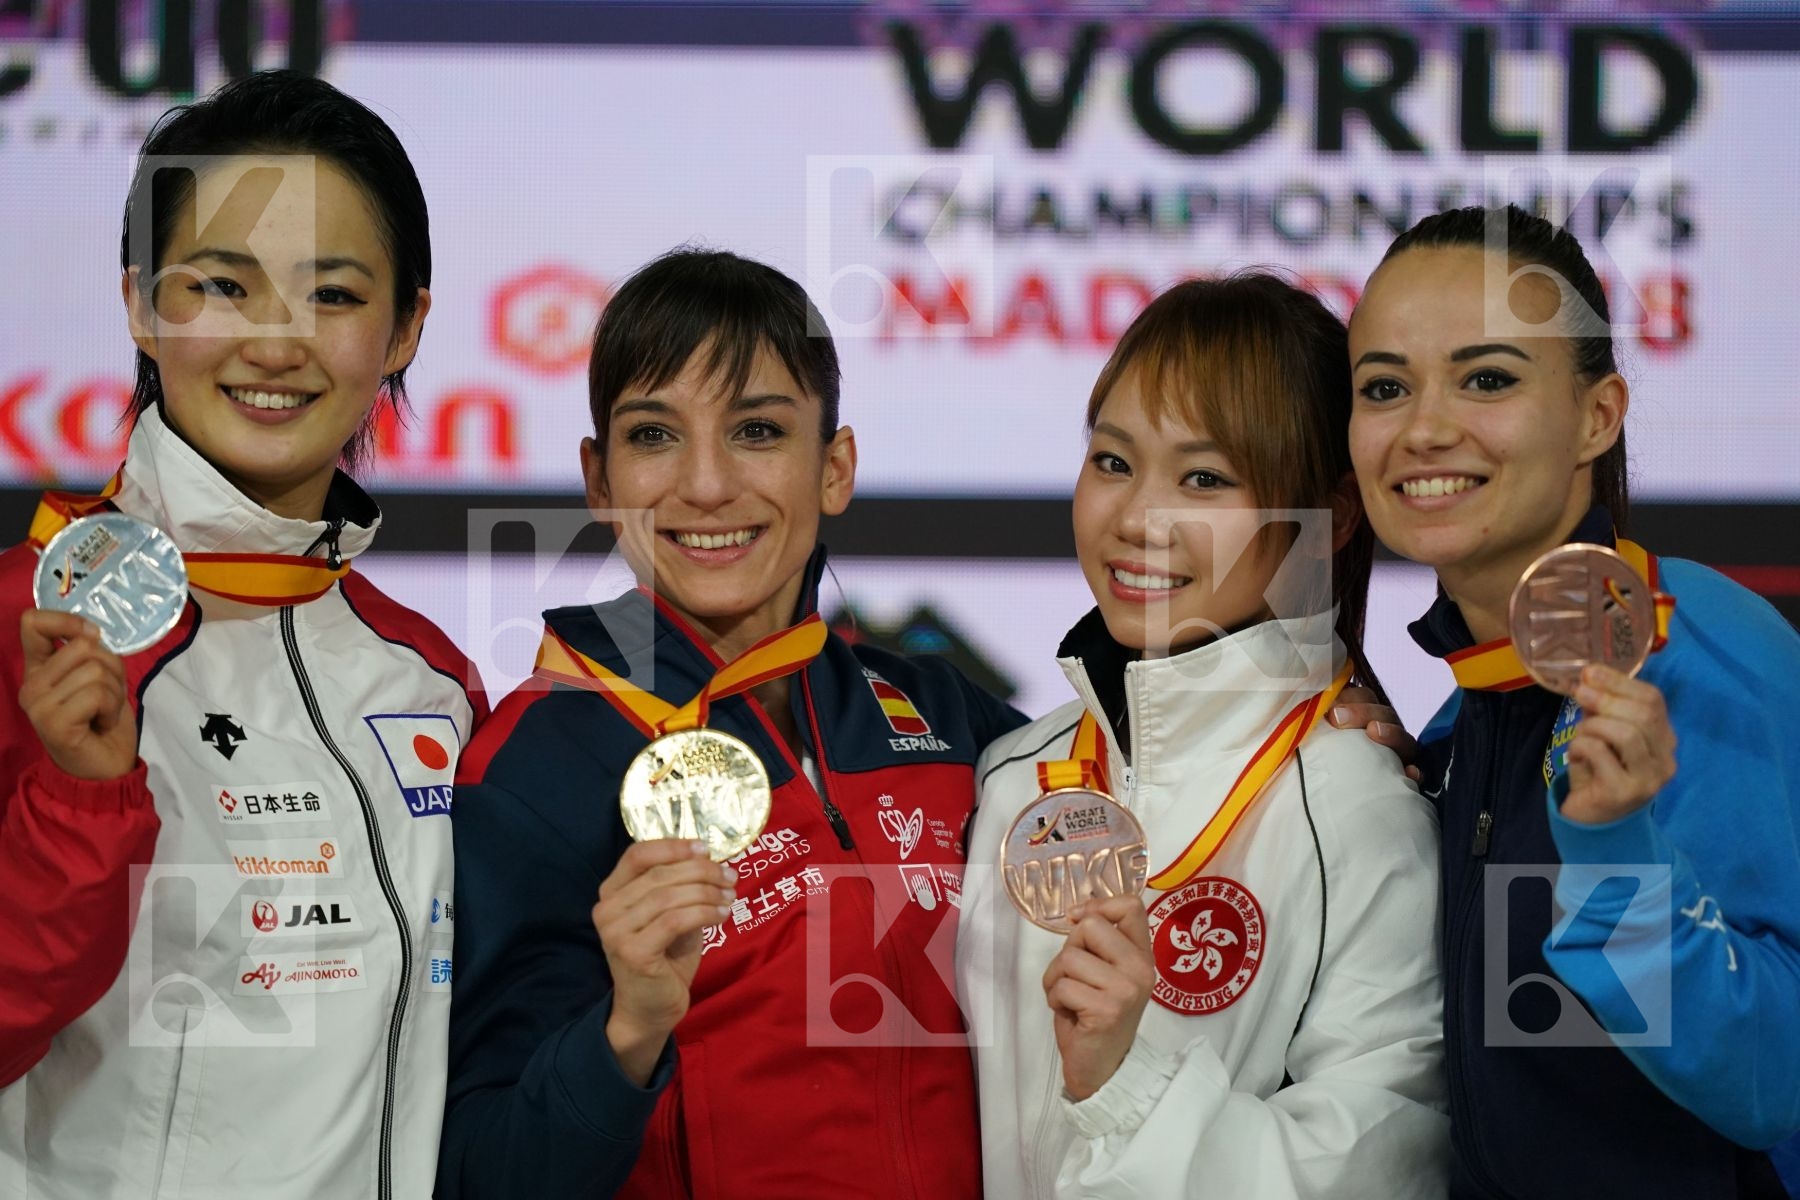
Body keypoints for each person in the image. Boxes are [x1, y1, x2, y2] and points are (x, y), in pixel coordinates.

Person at [436, 248, 1029, 1198]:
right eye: (654, 436)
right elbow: (484, 1175)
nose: (706, 486)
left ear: (834, 467)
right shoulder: (539, 766)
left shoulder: (946, 714)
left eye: (756, 430)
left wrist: (1333, 712)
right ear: (599, 480)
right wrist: (625, 1031)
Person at [0, 71, 482, 1197]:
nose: (276, 342)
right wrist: (75, 803)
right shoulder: (23, 626)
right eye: (222, 284)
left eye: (333, 294)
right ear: (139, 304)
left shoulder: (430, 680)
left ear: (406, 326)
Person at [958, 273, 1450, 1198]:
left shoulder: (1358, 801)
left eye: (1205, 478)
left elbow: (1385, 1165)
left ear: (1329, 516)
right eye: (1112, 462)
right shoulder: (1016, 775)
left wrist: (1126, 1086)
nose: (1138, 519)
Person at [1348, 203, 1800, 1198]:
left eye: (1489, 379)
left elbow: (1779, 1084)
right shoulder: (1466, 715)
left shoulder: (1706, 660)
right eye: (1385, 386)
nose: (1424, 428)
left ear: (1598, 415)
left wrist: (1613, 855)